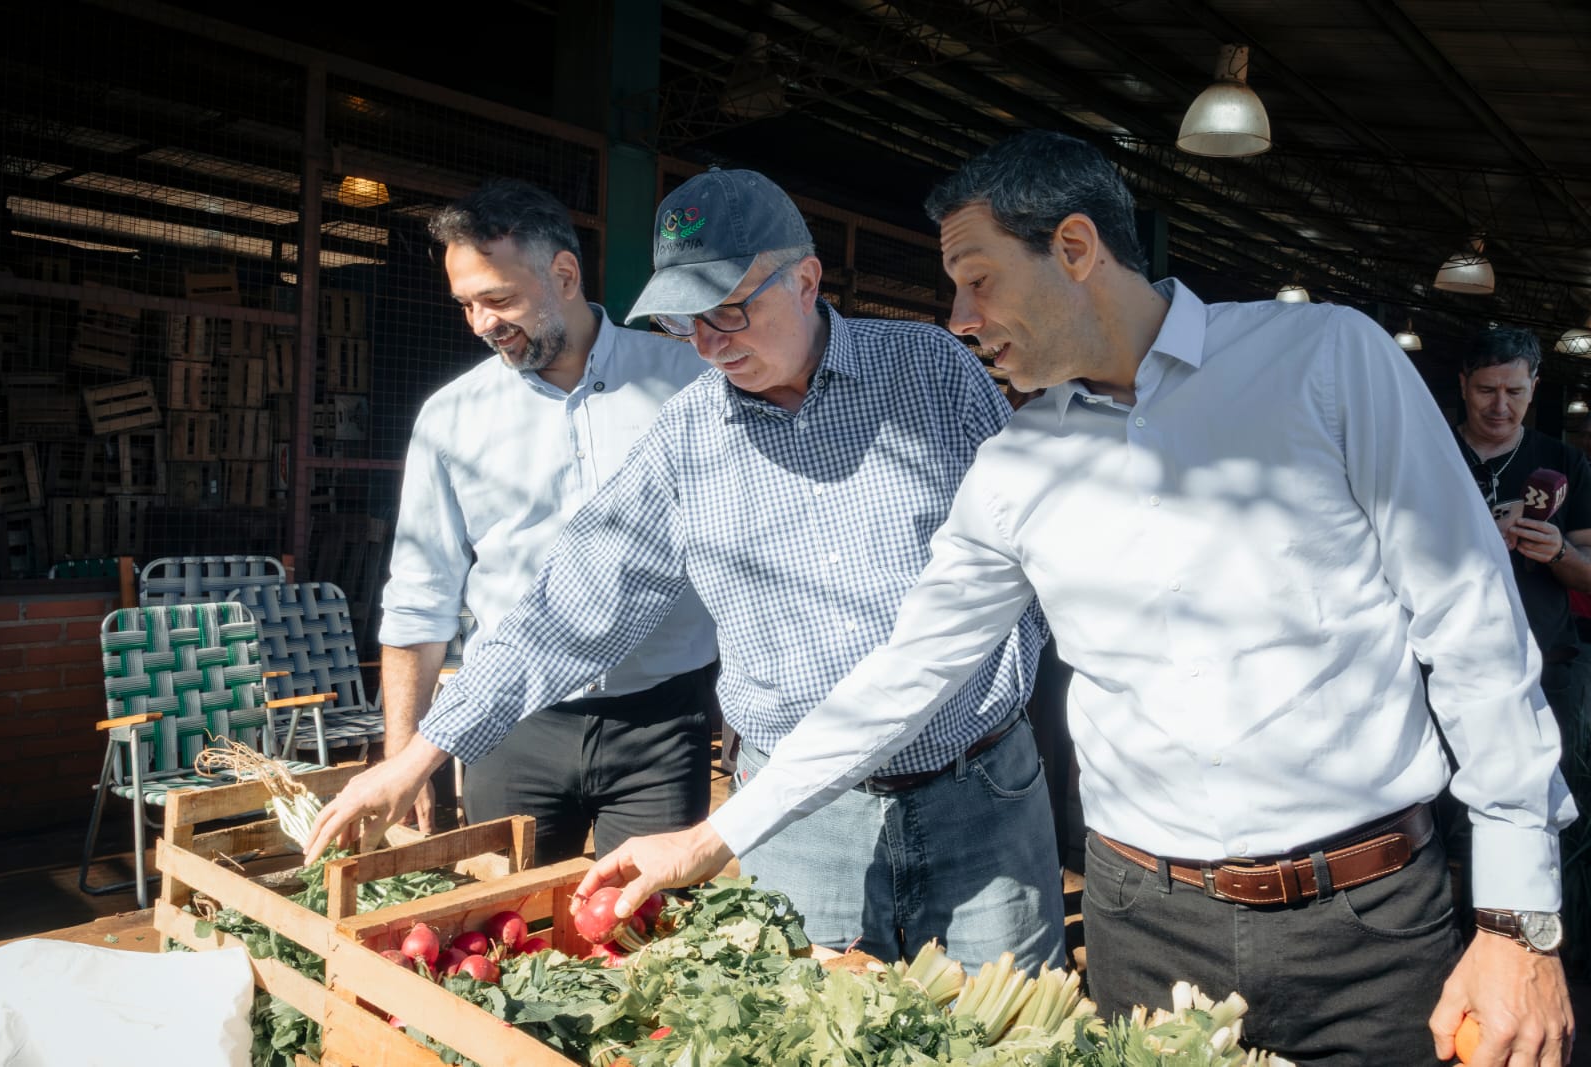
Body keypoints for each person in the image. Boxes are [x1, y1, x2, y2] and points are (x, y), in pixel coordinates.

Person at [574, 132, 1577, 1067]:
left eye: (976, 280)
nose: (959, 319)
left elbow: (1472, 625)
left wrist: (1516, 919)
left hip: (1364, 922)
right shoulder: (1018, 466)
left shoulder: (1324, 360)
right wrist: (711, 835)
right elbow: (906, 672)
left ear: (1074, 247)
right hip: (1145, 931)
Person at [310, 167, 1067, 973]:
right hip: (798, 825)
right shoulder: (687, 438)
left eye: (728, 311)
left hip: (978, 793)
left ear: (806, 280)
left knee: (1014, 1023)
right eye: (685, 321)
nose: (708, 343)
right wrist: (415, 757)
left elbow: (1031, 556)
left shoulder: (930, 372)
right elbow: (564, 610)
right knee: (808, 1025)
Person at [377, 179, 719, 863]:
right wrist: (404, 750)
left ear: (564, 274)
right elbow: (421, 593)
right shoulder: (450, 419)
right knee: (509, 919)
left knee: (647, 921)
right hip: (507, 725)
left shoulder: (692, 383)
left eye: (498, 299)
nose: (480, 324)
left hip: (661, 720)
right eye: (466, 304)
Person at [1453, 326, 1591, 739]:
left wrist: (1559, 551)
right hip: (1447, 660)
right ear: (1463, 385)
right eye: (1486, 390)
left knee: (1545, 779)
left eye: (1514, 392)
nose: (1500, 406)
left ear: (1534, 388)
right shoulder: (1429, 453)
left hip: (1542, 664)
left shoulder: (1565, 461)